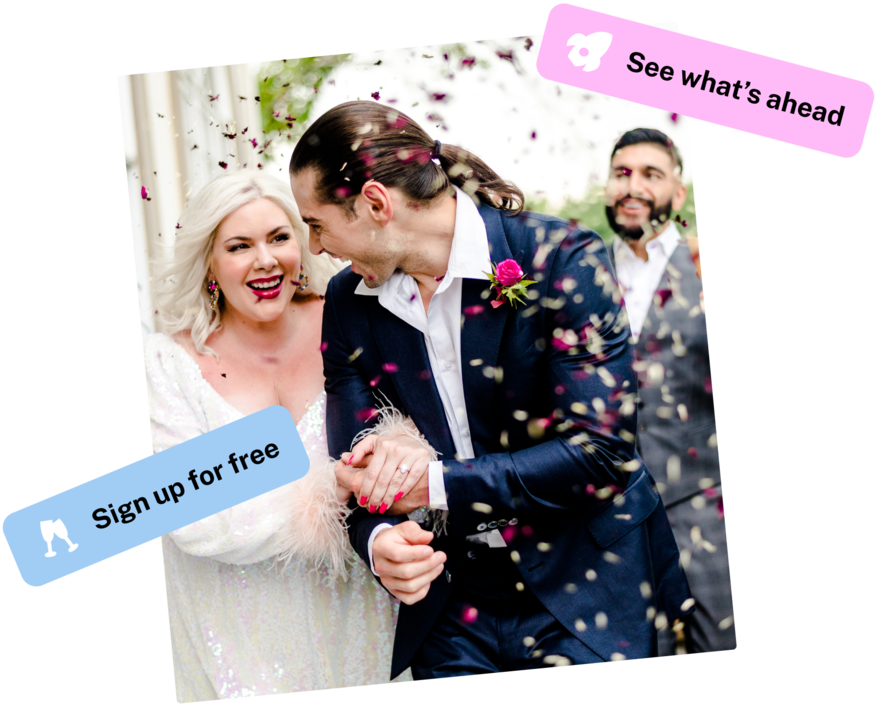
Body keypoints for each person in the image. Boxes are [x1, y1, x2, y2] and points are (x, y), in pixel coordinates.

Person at [289, 101, 692, 679]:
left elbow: (601, 452)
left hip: (587, 585)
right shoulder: (348, 304)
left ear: (375, 204)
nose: (318, 246)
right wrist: (378, 541)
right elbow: (354, 465)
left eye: (317, 222)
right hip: (453, 607)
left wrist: (432, 483)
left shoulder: (562, 259)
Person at [143, 170, 414, 702]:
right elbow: (191, 517)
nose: (265, 260)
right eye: (239, 246)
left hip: (367, 632)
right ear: (210, 264)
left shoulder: (354, 322)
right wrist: (331, 487)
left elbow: (421, 440)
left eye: (279, 237)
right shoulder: (165, 367)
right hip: (240, 652)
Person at [603, 128, 734, 655]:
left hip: (706, 519)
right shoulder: (581, 272)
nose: (633, 186)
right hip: (607, 528)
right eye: (622, 173)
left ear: (678, 194)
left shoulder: (701, 269)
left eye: (651, 174)